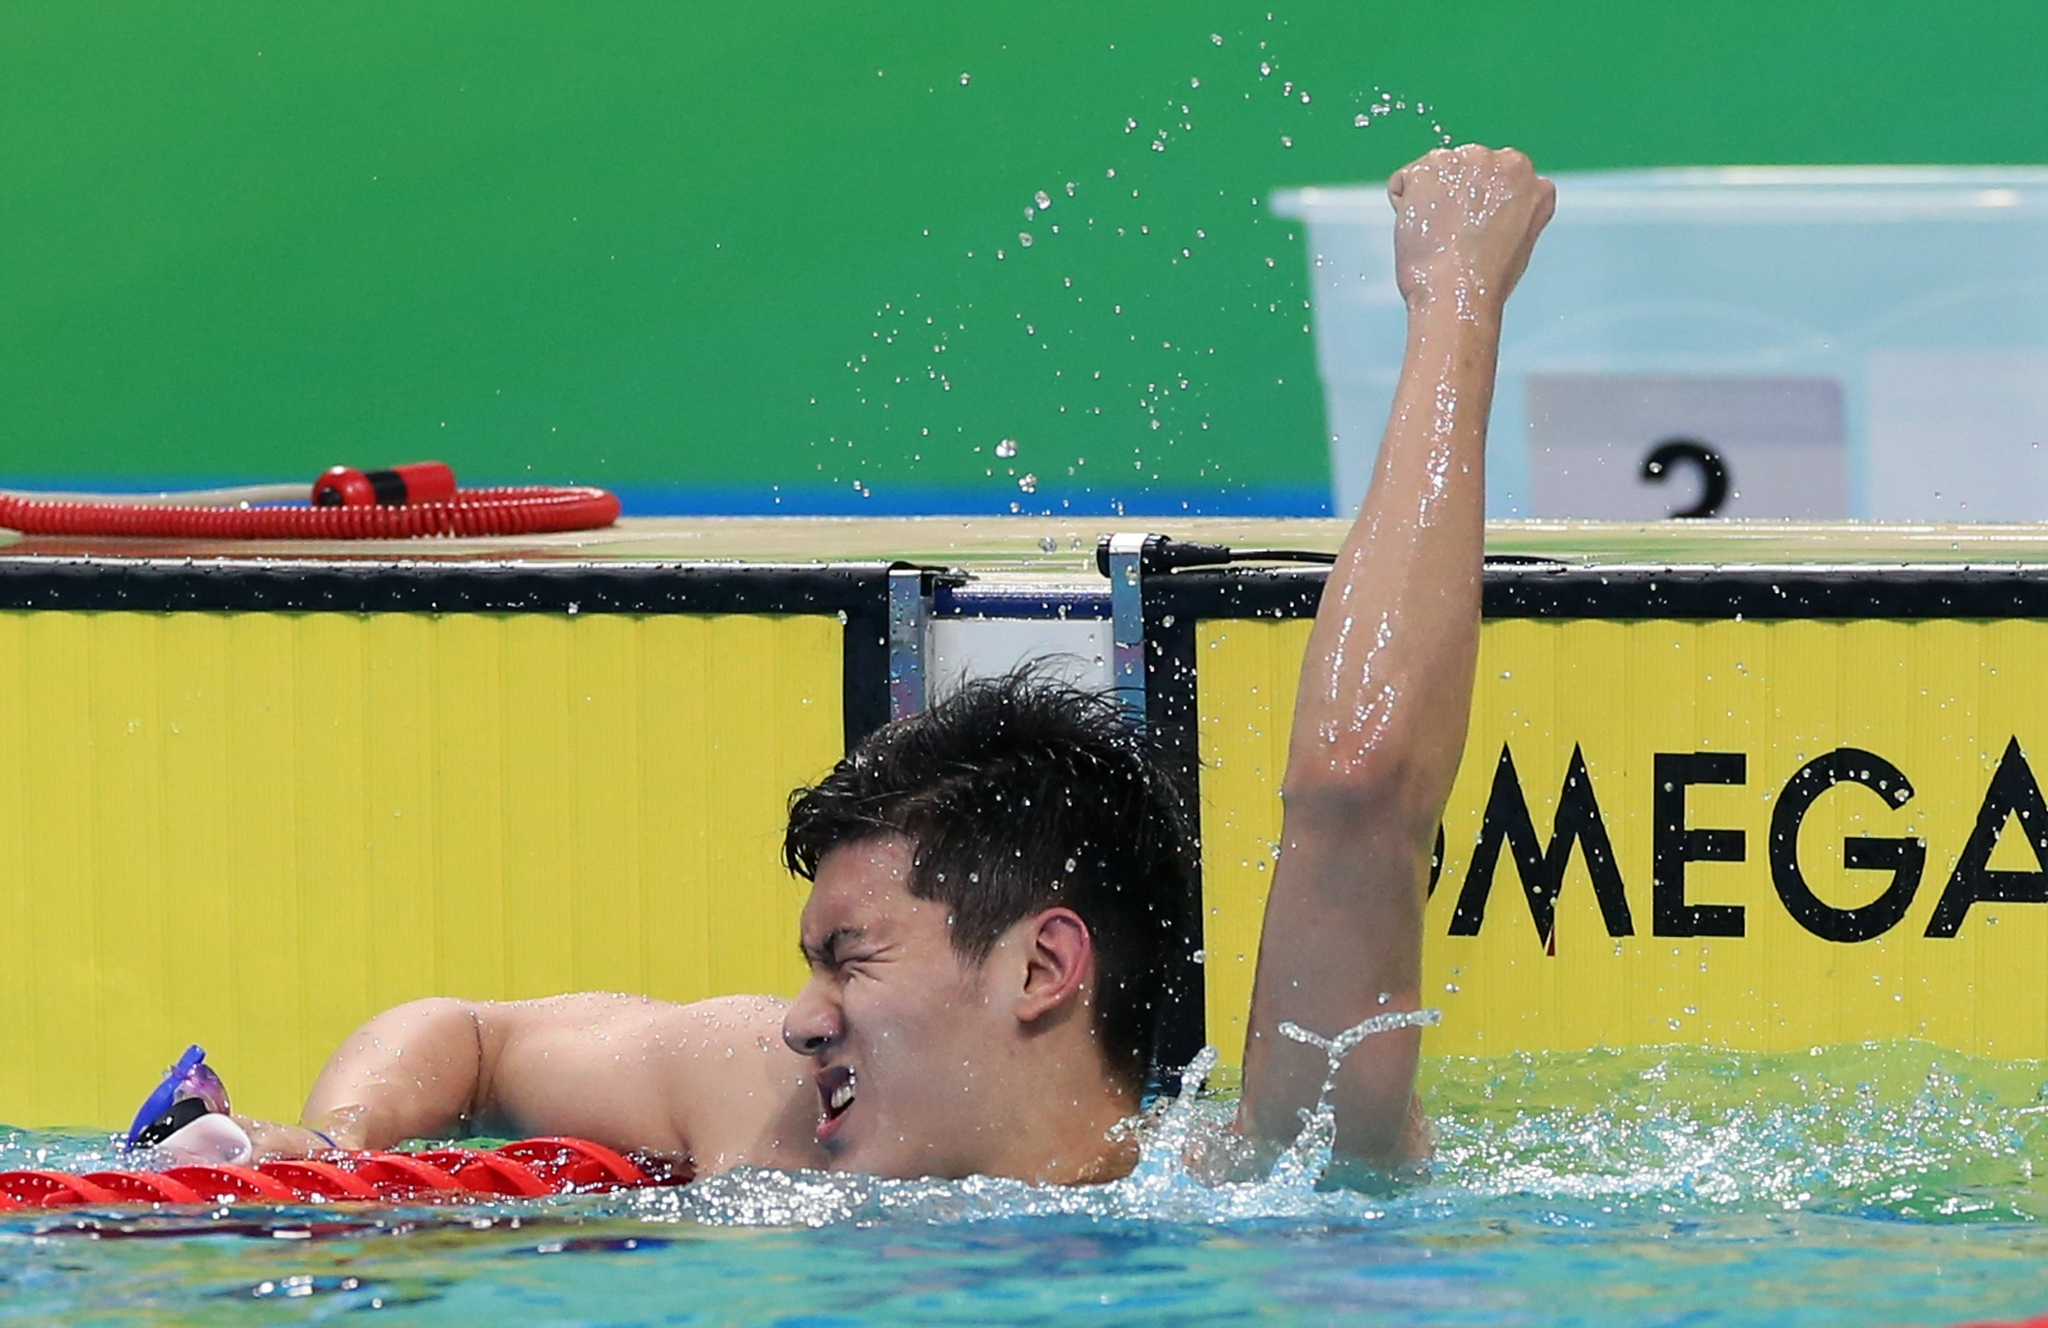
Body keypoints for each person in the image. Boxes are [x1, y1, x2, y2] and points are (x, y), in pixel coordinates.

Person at [222, 144, 1554, 1183]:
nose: (801, 1022)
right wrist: (341, 1147)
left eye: (849, 961)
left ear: (1040, 970)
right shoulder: (767, 1107)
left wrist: (1453, 301)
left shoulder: (1272, 1173)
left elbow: (1358, 780)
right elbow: (470, 1035)